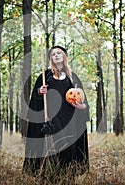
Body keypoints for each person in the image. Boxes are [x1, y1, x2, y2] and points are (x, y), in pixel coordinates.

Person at [22, 45, 90, 178]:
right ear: (51, 59)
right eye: (53, 54)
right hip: (50, 117)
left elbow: (82, 99)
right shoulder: (44, 76)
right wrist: (39, 92)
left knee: (68, 146)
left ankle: (66, 176)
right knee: (53, 145)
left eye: (59, 53)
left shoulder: (73, 77)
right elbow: (35, 98)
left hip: (69, 118)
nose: (56, 55)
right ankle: (49, 175)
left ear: (64, 56)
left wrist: (83, 107)